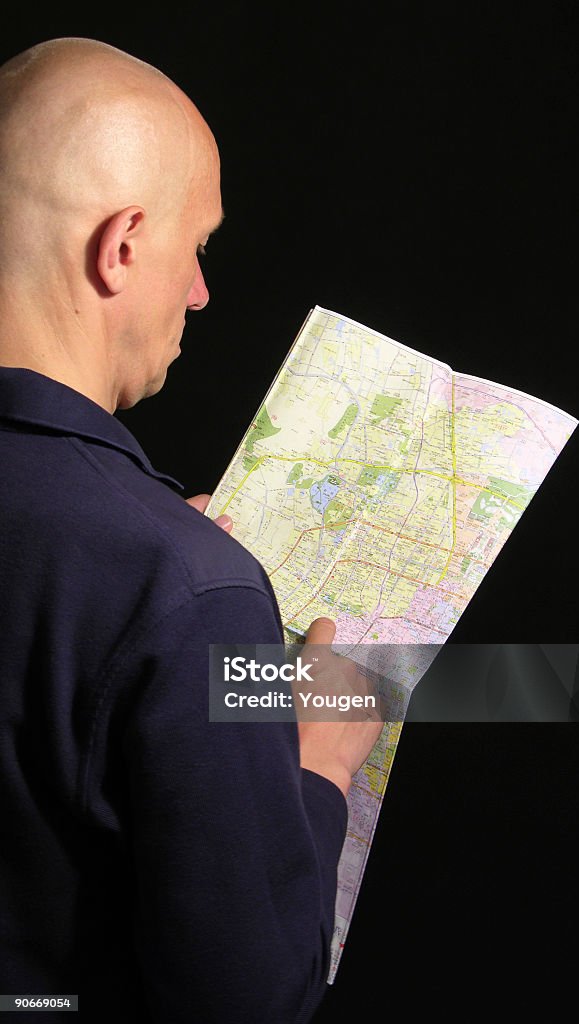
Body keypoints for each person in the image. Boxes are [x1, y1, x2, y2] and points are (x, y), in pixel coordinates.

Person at [0, 37, 383, 1023]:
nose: (203, 291)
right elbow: (247, 1004)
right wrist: (318, 766)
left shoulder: (167, 574)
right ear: (122, 245)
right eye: (197, 246)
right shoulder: (189, 585)